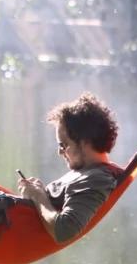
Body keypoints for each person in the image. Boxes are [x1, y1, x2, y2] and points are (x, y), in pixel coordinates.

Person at [17, 92, 123, 244]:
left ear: (85, 142)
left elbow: (64, 230)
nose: (60, 151)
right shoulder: (85, 171)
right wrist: (37, 190)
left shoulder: (96, 179)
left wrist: (38, 197)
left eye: (63, 145)